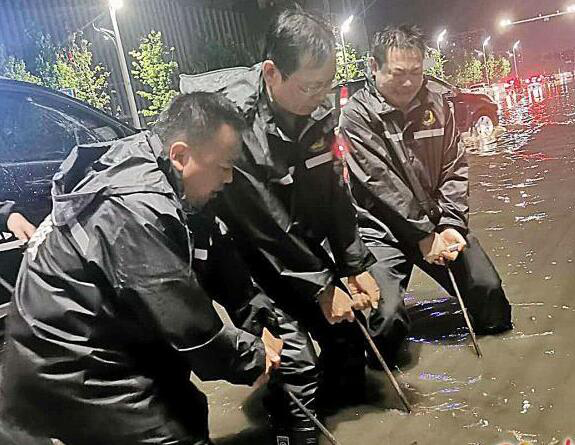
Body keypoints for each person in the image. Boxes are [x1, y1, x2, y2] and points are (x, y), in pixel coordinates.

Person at [0, 92, 283, 445]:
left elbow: (214, 251)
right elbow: (188, 324)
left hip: (103, 335)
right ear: (181, 155)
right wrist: (254, 359)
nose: (228, 179)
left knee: (186, 409)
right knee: (173, 435)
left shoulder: (160, 170)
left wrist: (258, 319)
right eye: (224, 166)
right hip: (66, 366)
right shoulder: (137, 208)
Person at [186, 7, 380, 444]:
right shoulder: (234, 117)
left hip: (294, 245)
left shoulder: (316, 106)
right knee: (298, 365)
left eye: (326, 84)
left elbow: (334, 185)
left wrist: (353, 263)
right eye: (310, 86)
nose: (321, 95)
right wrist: (322, 286)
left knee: (349, 340)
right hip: (241, 255)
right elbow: (262, 219)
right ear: (271, 73)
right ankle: (292, 430)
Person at [339, 25, 513, 365]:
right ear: (373, 68)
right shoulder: (355, 117)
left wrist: (451, 225)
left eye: (416, 72)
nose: (408, 82)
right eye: (397, 73)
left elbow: (455, 166)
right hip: (381, 232)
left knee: (489, 294)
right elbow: (380, 182)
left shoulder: (438, 104)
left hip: (436, 224)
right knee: (385, 320)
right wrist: (421, 235)